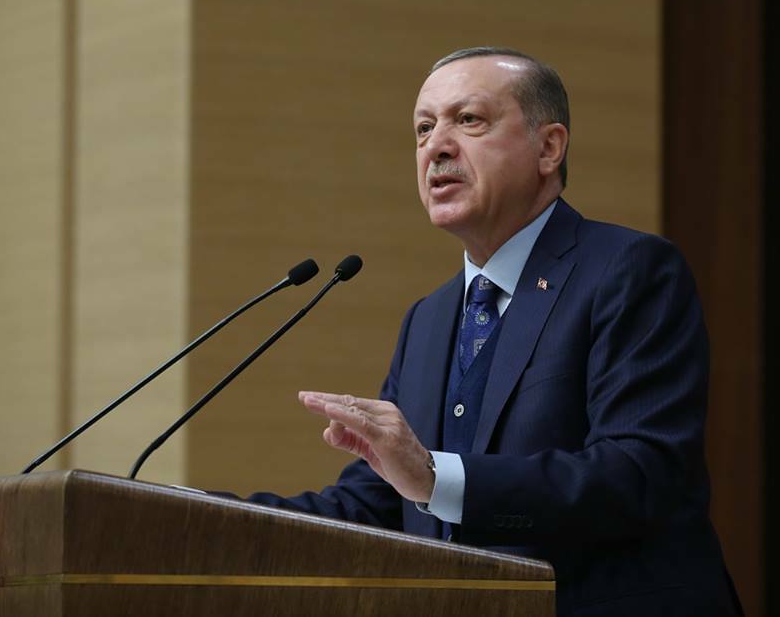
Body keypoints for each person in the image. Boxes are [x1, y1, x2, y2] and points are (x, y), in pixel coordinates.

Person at [247, 47, 742, 616]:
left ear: (549, 148)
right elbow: (375, 503)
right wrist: (199, 512)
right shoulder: (428, 319)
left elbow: (638, 475)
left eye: (468, 120)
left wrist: (437, 477)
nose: (436, 146)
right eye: (423, 129)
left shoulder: (629, 270)